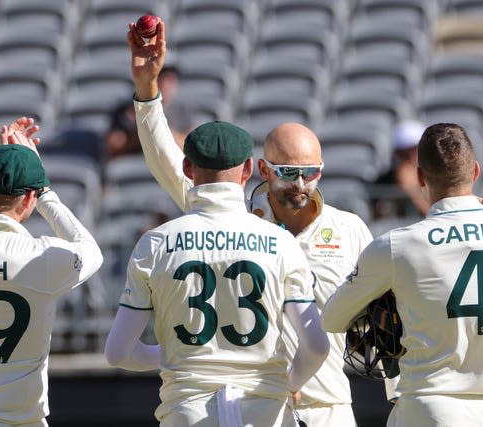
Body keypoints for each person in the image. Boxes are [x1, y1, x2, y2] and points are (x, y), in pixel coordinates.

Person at [126, 19, 374, 426]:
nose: (300, 183)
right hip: (256, 407)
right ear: (260, 169)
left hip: (327, 409)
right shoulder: (234, 220)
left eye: (310, 172)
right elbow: (167, 161)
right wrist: (148, 91)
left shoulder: (350, 231)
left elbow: (385, 320)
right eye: (287, 171)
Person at [104, 120, 329, 426]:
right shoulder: (281, 242)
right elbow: (316, 346)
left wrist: (175, 354)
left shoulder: (154, 243)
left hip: (187, 410)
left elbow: (118, 353)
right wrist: (290, 383)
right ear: (248, 169)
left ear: (187, 167)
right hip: (263, 411)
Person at [322, 123, 483, 426]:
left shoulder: (396, 246)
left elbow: (331, 319)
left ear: (419, 177)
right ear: (476, 171)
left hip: (428, 409)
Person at [0, 117, 103, 426]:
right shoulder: (41, 257)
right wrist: (45, 192)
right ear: (29, 198)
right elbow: (90, 249)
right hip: (19, 420)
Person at [104, 54, 195, 161]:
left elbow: (192, 147)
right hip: (135, 168)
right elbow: (112, 147)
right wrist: (141, 133)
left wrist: (161, 132)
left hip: (167, 170)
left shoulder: (182, 110)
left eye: (170, 78)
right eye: (159, 76)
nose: (165, 83)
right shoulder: (128, 109)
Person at [374, 120, 430, 219]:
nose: (414, 155)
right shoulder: (381, 182)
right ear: (398, 153)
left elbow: (432, 214)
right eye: (408, 152)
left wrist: (412, 188)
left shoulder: (436, 177)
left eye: (419, 148)